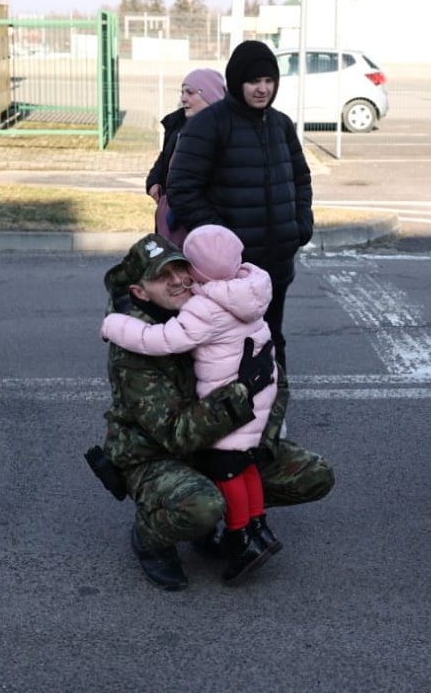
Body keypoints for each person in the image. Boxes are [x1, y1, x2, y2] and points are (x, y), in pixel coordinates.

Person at [88, 233, 334, 591]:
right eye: (162, 277)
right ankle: (152, 534)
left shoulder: (214, 310)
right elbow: (175, 433)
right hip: (157, 453)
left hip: (219, 438)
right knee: (202, 505)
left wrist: (255, 443)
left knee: (313, 474)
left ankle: (238, 522)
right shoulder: (136, 348)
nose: (178, 281)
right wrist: (241, 395)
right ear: (140, 292)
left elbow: (275, 382)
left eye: (181, 270)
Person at [166, 40, 313, 373]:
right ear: (236, 81)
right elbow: (183, 189)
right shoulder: (208, 125)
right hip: (229, 272)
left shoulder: (281, 125)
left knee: (272, 338)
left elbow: (301, 179)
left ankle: (273, 415)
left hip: (276, 264)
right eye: (253, 81)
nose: (262, 89)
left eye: (269, 81)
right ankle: (226, 416)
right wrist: (222, 245)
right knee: (226, 347)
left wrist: (301, 226)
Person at [146, 68, 226, 244]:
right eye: (182, 92)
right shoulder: (177, 126)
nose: (183, 98)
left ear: (210, 95)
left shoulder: (225, 132)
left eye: (190, 92)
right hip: (172, 225)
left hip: (205, 229)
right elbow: (164, 158)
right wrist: (153, 183)